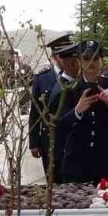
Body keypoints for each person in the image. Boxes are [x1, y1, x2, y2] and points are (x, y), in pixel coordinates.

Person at [56, 40, 108, 183]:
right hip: (77, 164)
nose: (91, 62)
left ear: (102, 61)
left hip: (107, 163)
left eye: (95, 58)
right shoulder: (69, 89)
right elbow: (59, 126)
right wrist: (77, 110)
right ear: (80, 61)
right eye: (86, 58)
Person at [29, 34, 79, 180]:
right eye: (62, 55)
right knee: (53, 178)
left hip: (73, 136)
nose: (66, 59)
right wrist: (34, 142)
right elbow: (35, 112)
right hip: (49, 138)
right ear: (55, 57)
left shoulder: (77, 75)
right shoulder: (42, 78)